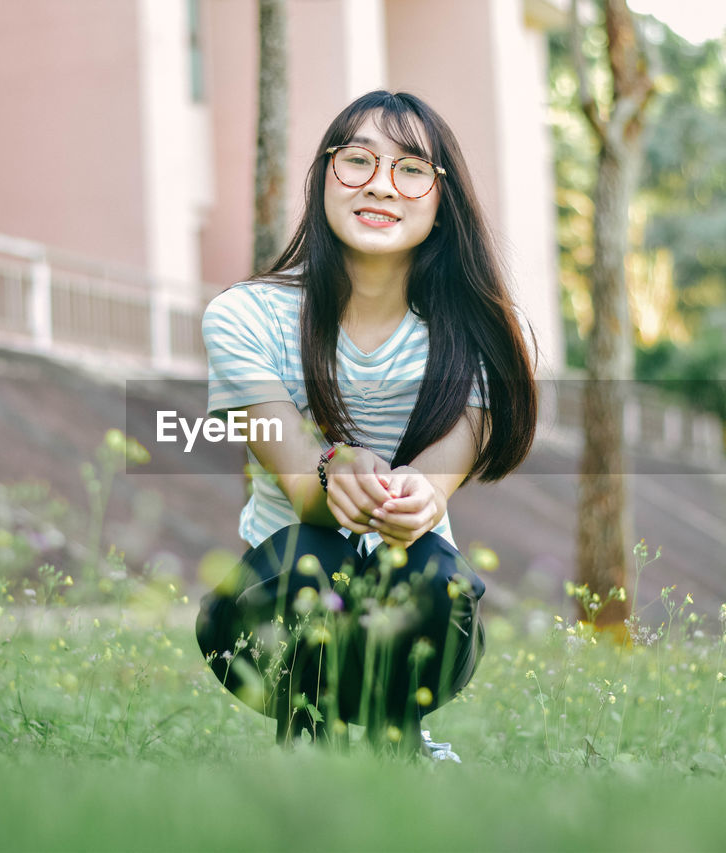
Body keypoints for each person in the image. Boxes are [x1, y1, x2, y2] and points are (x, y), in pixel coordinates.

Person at [196, 90, 537, 759]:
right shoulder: (245, 317)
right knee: (312, 559)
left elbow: (439, 475)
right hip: (268, 614)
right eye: (357, 160)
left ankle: (398, 739)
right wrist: (334, 476)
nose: (381, 184)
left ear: (443, 199)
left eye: (411, 169)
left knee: (428, 573)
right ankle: (304, 740)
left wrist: (414, 497)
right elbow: (296, 477)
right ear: (324, 175)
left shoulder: (478, 334)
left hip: (424, 616)